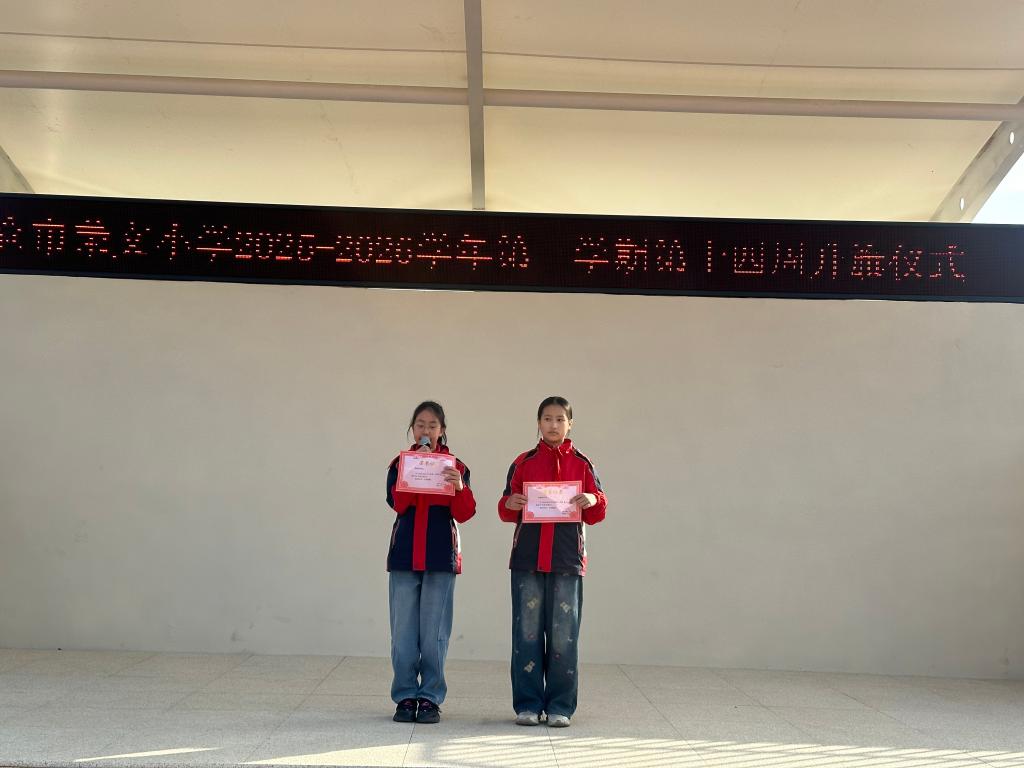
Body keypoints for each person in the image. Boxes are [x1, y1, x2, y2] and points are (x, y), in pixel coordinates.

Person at [497, 396, 607, 727]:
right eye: (547, 418)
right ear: (538, 423)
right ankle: (527, 705)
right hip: (527, 559)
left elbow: (599, 510)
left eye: (560, 419)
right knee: (527, 634)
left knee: (564, 635)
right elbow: (505, 508)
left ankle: (561, 705)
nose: (553, 425)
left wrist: (592, 499)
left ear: (570, 424)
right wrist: (511, 503)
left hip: (567, 559)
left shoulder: (583, 464)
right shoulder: (523, 462)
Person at [385, 400, 476, 724]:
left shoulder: (455, 467)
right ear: (412, 429)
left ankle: (430, 698)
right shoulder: (399, 464)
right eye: (420, 424)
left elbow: (465, 513)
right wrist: (413, 470)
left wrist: (458, 486)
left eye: (432, 425)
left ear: (442, 430)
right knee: (403, 633)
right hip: (404, 556)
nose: (426, 430)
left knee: (435, 634)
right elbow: (398, 504)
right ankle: (405, 695)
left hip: (440, 556)